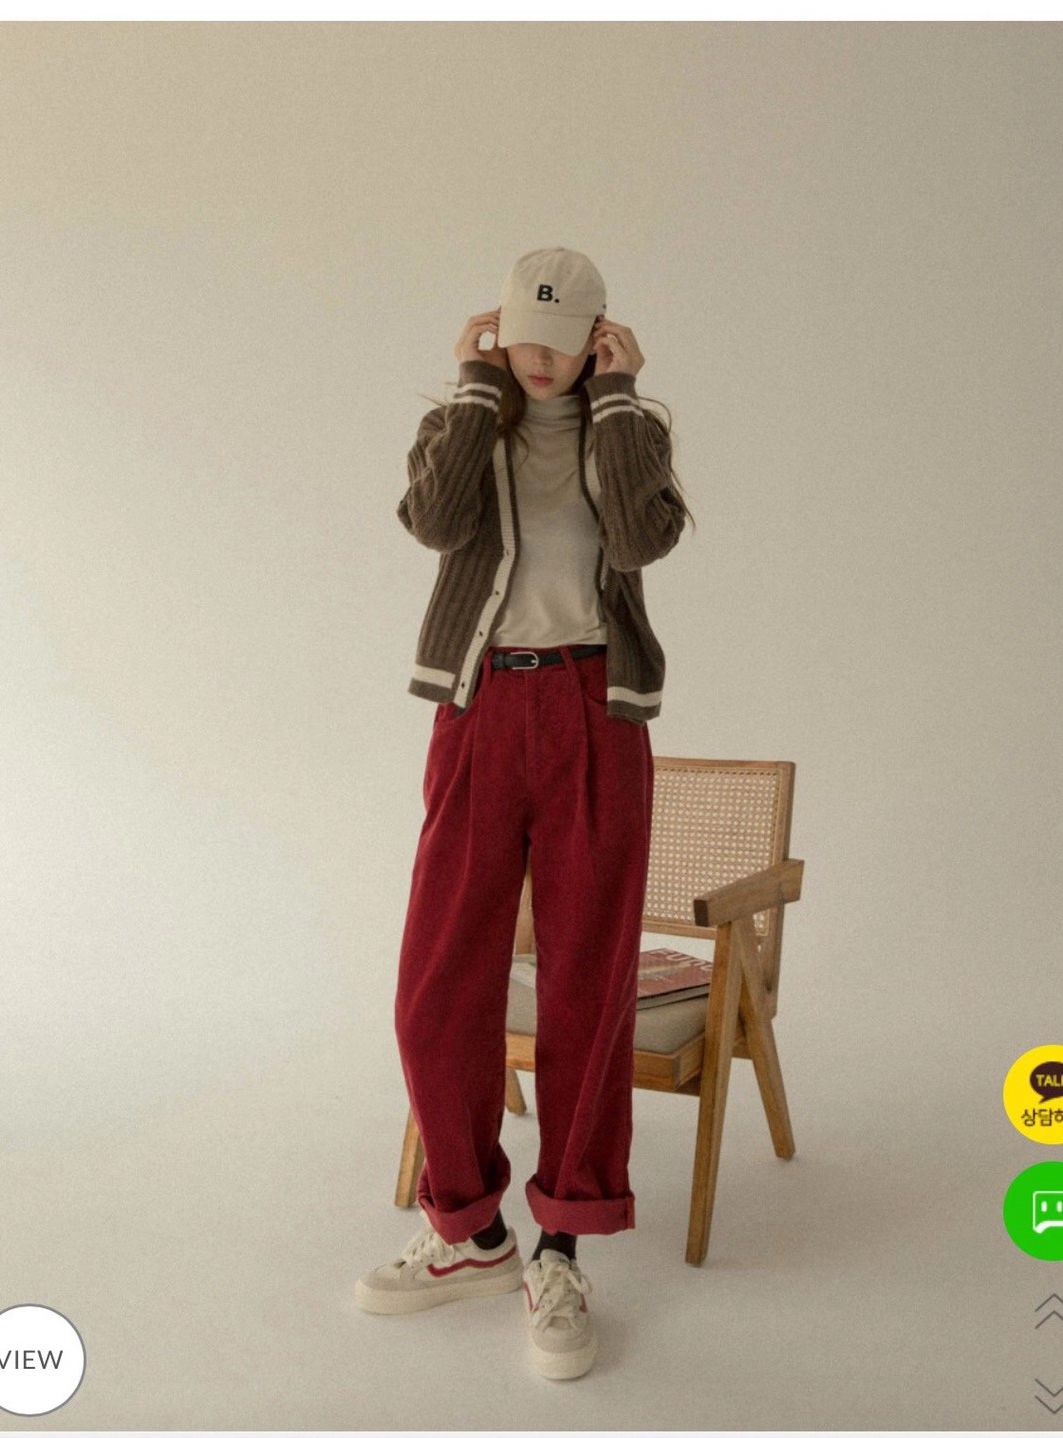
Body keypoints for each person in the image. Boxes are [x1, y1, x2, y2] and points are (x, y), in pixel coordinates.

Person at [354, 248, 691, 1380]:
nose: (539, 357)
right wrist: (471, 387)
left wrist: (622, 400)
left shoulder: (627, 429)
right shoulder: (468, 422)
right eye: (522, 334)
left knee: (588, 979)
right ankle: (472, 1230)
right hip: (481, 707)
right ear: (498, 328)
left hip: (597, 711)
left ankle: (563, 1246)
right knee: (437, 980)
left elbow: (643, 540)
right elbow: (433, 520)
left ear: (599, 336)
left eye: (564, 337)